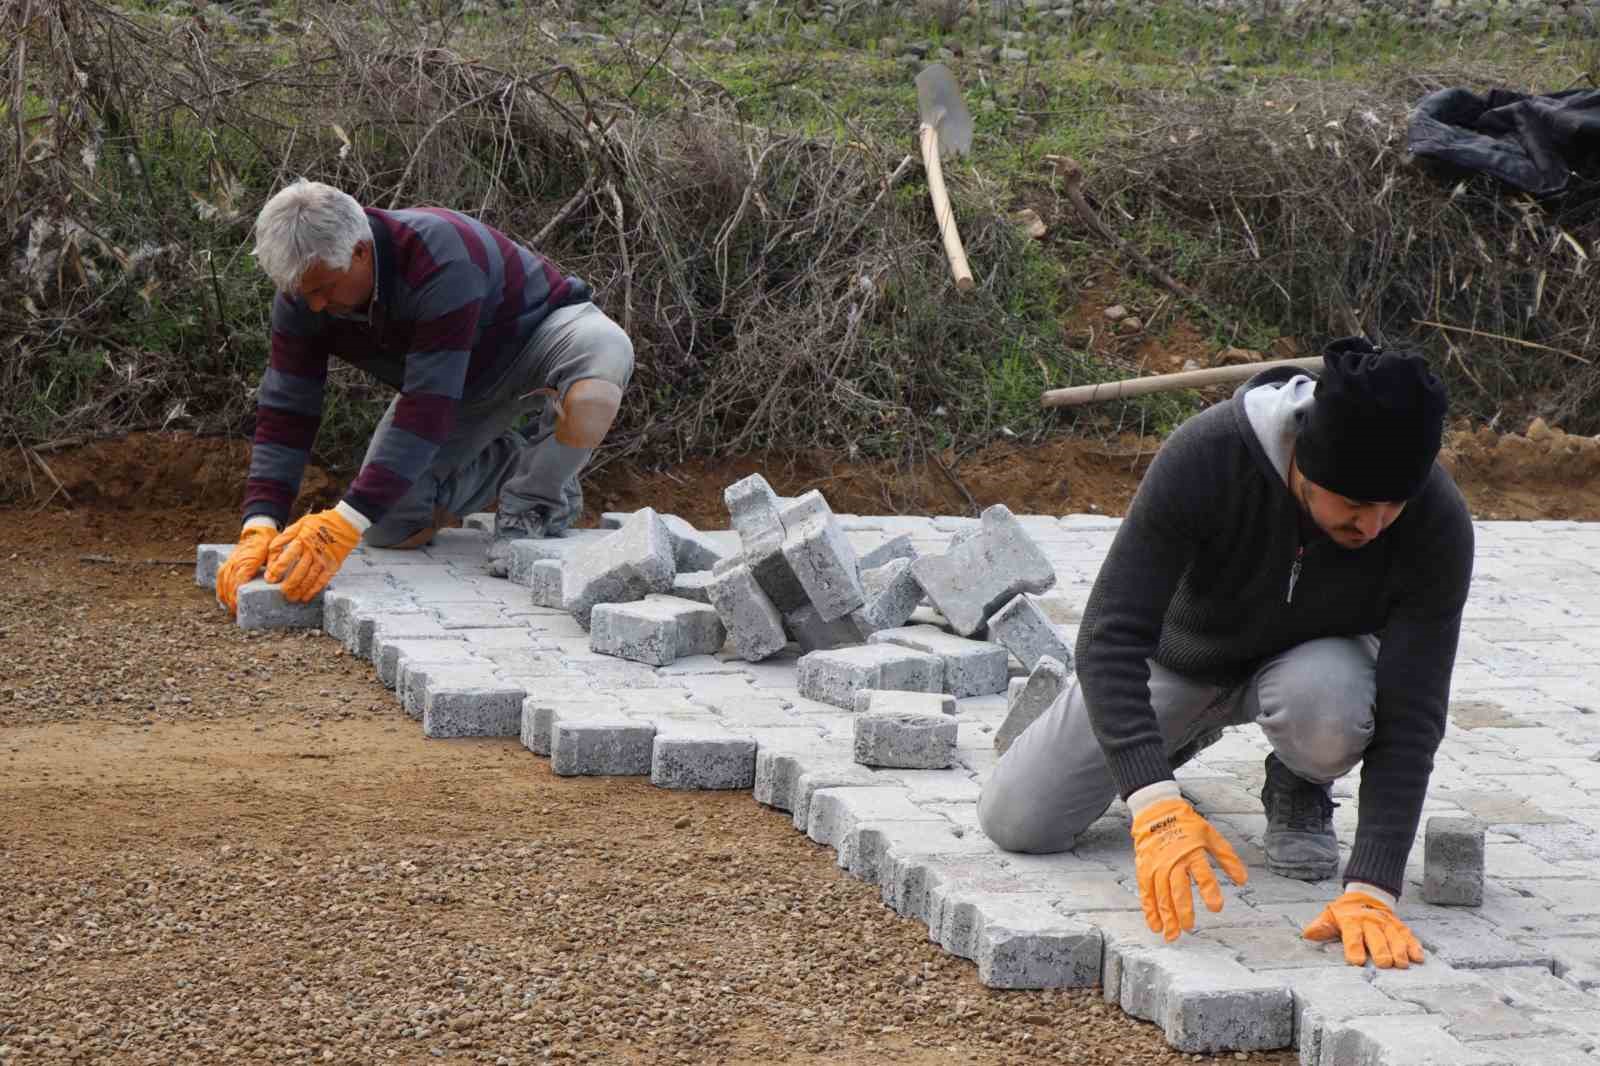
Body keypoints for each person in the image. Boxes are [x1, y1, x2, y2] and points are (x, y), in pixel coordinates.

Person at [977, 339, 1473, 970]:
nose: (1373, 527)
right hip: (1184, 661)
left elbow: (1415, 709)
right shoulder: (1208, 454)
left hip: (1313, 676)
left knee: (1328, 705)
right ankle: (1170, 743)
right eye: (1353, 505)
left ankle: (1300, 777)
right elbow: (1108, 634)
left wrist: (1373, 887)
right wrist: (1153, 801)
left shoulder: (1436, 521)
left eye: (1390, 508)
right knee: (1018, 820)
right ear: (1303, 463)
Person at [215, 179, 633, 611]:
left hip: (539, 338)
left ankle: (537, 501)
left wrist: (345, 519)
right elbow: (288, 410)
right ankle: (517, 458)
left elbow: (426, 409)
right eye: (304, 293)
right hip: (460, 380)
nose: (316, 305)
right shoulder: (304, 296)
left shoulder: (438, 257)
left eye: (324, 288)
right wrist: (260, 521)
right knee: (388, 526)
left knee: (599, 376)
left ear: (359, 251)